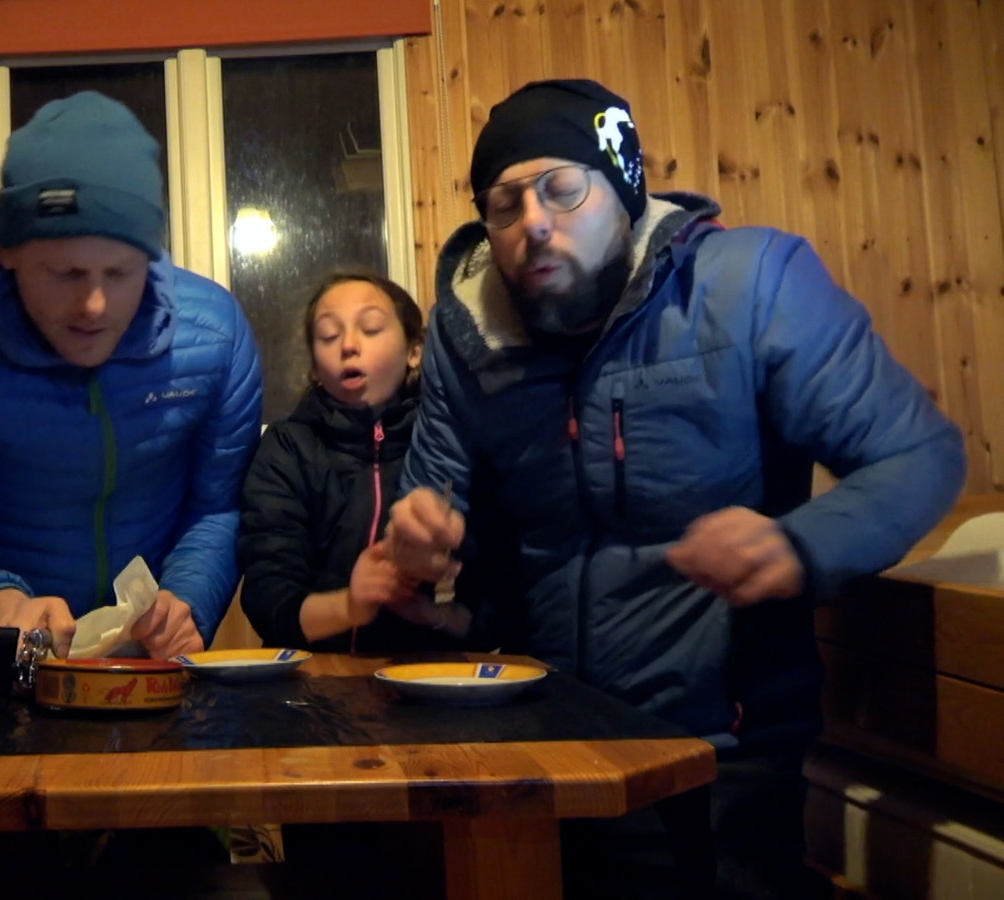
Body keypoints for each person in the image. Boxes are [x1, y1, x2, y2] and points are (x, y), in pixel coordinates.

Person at [382, 79, 966, 899]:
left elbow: (920, 455)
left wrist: (796, 546)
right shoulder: (463, 335)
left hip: (721, 755)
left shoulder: (751, 283)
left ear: (625, 191)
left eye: (562, 188)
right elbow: (441, 515)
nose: (533, 222)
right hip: (539, 743)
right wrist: (422, 548)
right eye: (504, 203)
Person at [0, 91, 262, 676]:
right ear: (7, 252)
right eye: (65, 273)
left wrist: (188, 601)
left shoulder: (217, 332)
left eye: (121, 273)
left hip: (150, 667)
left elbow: (218, 508)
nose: (94, 304)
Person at [238, 270, 472, 652]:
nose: (348, 345)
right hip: (309, 688)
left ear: (415, 350)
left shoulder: (448, 444)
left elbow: (496, 606)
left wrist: (435, 615)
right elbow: (269, 599)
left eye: (371, 328)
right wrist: (349, 605)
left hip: (431, 686)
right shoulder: (288, 448)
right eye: (328, 335)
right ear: (314, 366)